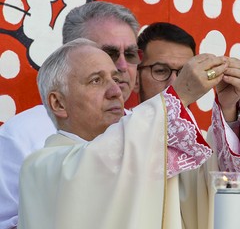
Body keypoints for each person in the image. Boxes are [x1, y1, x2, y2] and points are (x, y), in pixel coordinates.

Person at [17, 37, 227, 229]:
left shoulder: (146, 152)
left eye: (116, 80)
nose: (116, 92)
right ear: (58, 102)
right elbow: (102, 160)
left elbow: (200, 194)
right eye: (96, 80)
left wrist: (230, 113)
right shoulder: (41, 168)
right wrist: (177, 96)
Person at [0, 1, 140, 229]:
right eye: (109, 53)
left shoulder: (145, 129)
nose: (123, 66)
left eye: (131, 54)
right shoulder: (19, 136)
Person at [135, 21, 240, 228]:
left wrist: (228, 110)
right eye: (160, 70)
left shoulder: (205, 147)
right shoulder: (118, 139)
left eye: (184, 73)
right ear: (136, 77)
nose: (176, 83)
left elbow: (226, 189)